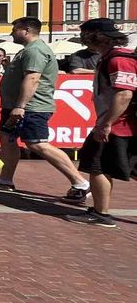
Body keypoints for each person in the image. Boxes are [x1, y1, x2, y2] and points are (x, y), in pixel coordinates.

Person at [0, 17, 90, 199]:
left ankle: (80, 182)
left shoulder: (35, 50)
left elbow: (32, 78)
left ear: (26, 30)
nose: (12, 32)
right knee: (6, 137)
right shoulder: (27, 50)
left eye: (15, 29)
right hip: (15, 106)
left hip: (30, 107)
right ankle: (5, 180)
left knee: (37, 143)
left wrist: (20, 106)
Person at [64, 18, 136, 228]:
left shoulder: (117, 59)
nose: (82, 38)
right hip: (124, 124)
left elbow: (124, 94)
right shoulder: (116, 57)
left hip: (117, 125)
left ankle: (101, 214)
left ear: (97, 35)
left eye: (85, 34)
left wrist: (106, 124)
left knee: (97, 166)